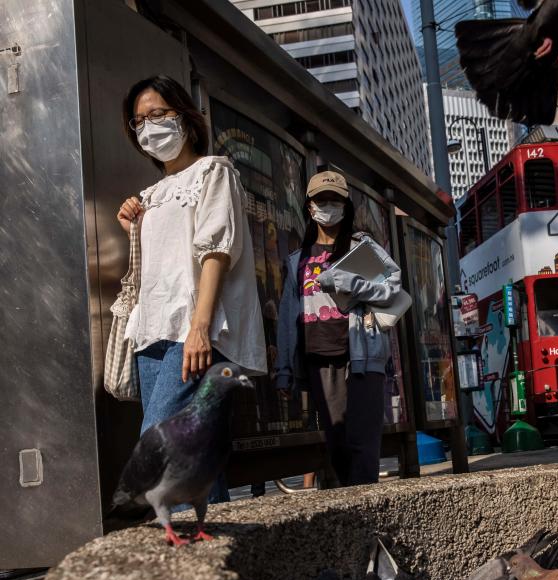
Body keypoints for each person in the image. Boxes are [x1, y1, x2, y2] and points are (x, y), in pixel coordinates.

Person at [117, 76, 267, 502]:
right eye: (139, 121)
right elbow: (159, 267)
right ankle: (215, 555)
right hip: (151, 336)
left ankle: (194, 554)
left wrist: (200, 327)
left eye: (158, 114)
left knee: (162, 442)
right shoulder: (150, 195)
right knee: (195, 453)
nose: (149, 126)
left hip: (195, 330)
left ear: (183, 116)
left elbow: (216, 251)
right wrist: (133, 227)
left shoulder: (213, 171)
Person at [275, 170, 402, 488]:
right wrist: (284, 370)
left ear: (346, 206)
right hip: (319, 361)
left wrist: (353, 284)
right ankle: (352, 508)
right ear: (309, 207)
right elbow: (288, 315)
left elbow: (394, 288)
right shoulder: (297, 261)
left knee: (363, 443)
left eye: (335, 200)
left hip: (361, 355)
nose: (328, 206)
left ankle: (366, 514)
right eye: (321, 200)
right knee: (337, 443)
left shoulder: (361, 246)